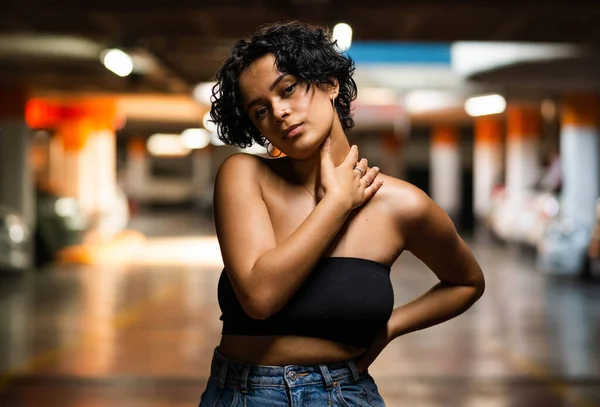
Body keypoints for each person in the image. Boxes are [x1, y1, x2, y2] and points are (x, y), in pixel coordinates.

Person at [199, 21, 485, 407]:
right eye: (260, 110)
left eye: (288, 89)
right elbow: (259, 297)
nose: (280, 112)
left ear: (330, 84)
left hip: (343, 394)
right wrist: (337, 203)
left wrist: (390, 327)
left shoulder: (402, 205)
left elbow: (466, 282)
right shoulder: (244, 175)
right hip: (242, 393)